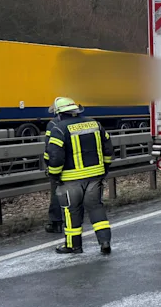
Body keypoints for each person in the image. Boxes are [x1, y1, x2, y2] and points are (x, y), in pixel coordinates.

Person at [44, 97, 114, 255]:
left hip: (70, 179)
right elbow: (108, 148)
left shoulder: (59, 128)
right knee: (96, 208)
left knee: (71, 212)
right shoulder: (94, 124)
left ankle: (74, 246)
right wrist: (105, 168)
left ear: (59, 113)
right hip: (95, 176)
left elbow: (54, 155)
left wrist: (54, 175)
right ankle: (104, 241)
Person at [44, 112, 65, 234]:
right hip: (76, 167)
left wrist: (50, 167)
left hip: (59, 166)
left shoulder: (52, 124)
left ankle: (56, 223)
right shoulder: (79, 123)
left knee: (57, 193)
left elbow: (49, 149)